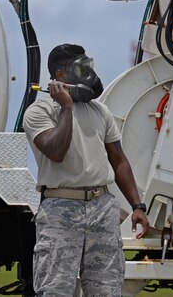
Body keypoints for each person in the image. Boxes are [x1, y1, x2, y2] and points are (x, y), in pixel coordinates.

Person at [23, 43, 150, 296]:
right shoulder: (39, 111)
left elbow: (119, 159)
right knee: (55, 288)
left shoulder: (100, 111)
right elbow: (56, 151)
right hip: (60, 208)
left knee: (106, 288)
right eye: (82, 69)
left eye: (89, 67)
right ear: (60, 76)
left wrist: (137, 206)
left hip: (101, 206)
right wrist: (66, 108)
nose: (90, 75)